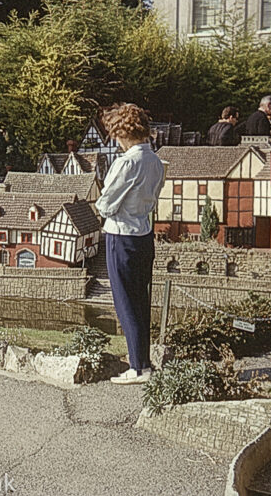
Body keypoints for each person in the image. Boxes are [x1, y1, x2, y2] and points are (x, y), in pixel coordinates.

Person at [95, 104, 165, 385]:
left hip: (121, 235)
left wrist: (105, 206)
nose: (114, 139)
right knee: (140, 301)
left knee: (125, 302)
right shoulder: (156, 162)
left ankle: (137, 368)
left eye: (115, 133)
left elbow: (106, 204)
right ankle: (143, 363)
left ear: (122, 132)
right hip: (144, 234)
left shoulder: (126, 163)